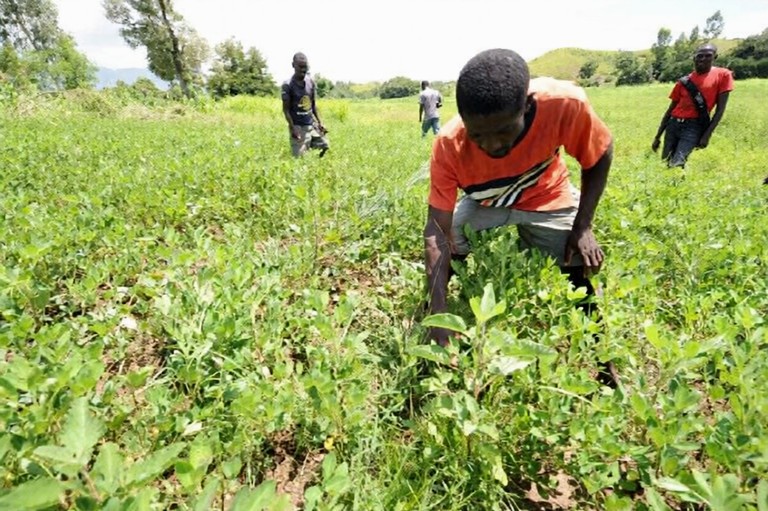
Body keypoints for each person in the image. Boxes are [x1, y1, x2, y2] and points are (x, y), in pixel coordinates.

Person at [423, 48, 617, 383]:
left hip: (546, 194)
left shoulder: (563, 104)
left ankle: (603, 363)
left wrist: (583, 227)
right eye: (478, 134)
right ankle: (448, 313)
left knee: (577, 264)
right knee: (452, 237)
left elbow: (600, 154)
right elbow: (436, 230)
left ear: (526, 107)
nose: (491, 145)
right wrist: (437, 313)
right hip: (487, 202)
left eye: (503, 131)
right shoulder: (448, 144)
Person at [651, 43, 734, 168]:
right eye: (700, 56)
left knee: (677, 164)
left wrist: (707, 135)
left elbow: (720, 110)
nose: (703, 59)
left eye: (708, 56)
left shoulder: (723, 75)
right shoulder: (684, 81)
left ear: (715, 57)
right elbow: (670, 110)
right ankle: (677, 185)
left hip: (693, 126)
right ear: (694, 58)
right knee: (666, 163)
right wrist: (657, 136)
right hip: (673, 124)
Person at [281, 52, 329, 158]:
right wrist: (292, 128)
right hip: (297, 126)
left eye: (305, 67)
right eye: (300, 66)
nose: (303, 69)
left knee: (325, 145)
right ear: (293, 65)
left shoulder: (310, 81)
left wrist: (320, 122)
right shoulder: (287, 85)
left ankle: (313, 157)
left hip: (311, 124)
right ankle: (304, 146)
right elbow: (286, 110)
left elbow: (313, 104)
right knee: (299, 159)